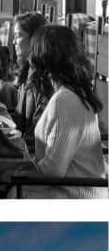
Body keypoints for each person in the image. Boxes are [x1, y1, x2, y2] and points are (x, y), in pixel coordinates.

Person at [21, 25, 106, 198]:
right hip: (76, 189)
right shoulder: (73, 92)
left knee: (3, 187)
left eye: (34, 51)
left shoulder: (65, 100)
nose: (30, 56)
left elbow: (53, 171)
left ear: (45, 58)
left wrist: (18, 172)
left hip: (73, 195)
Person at [10, 11, 48, 143]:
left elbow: (37, 135)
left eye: (18, 36)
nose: (14, 41)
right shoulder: (28, 70)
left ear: (35, 39)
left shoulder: (45, 80)